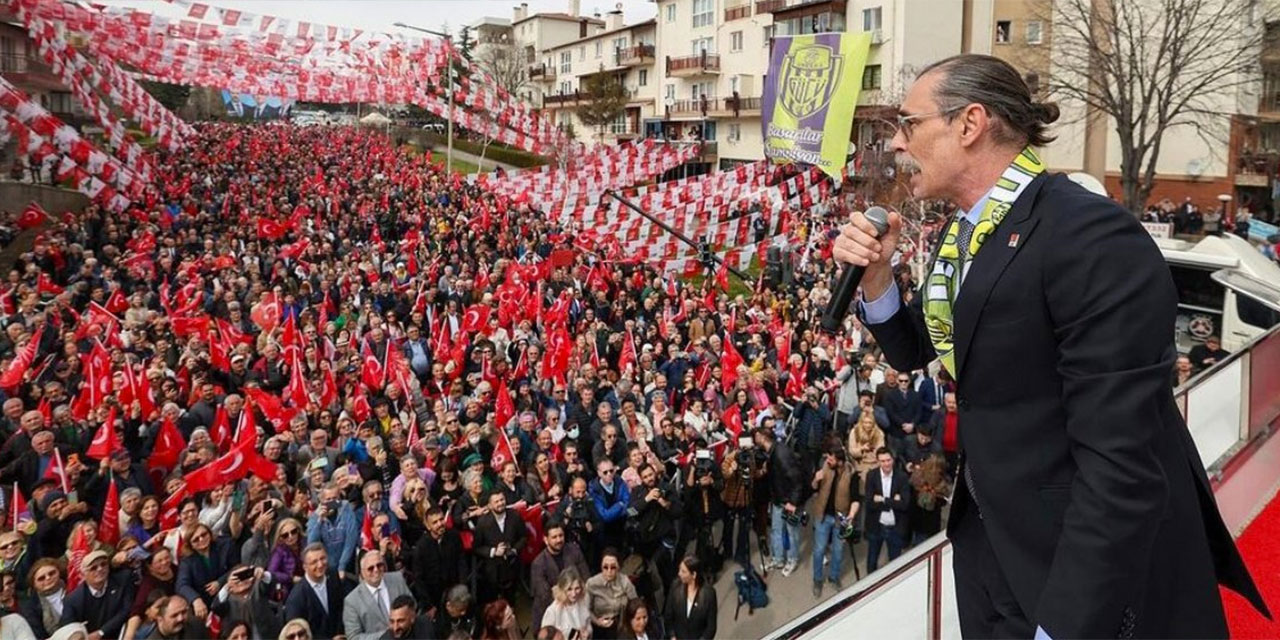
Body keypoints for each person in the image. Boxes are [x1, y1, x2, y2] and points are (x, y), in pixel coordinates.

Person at [834, 53, 1267, 636]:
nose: (898, 145)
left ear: (970, 124)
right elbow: (923, 352)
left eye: (909, 125)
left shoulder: (1088, 235)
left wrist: (1064, 626)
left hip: (1073, 571)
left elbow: (1120, 465)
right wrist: (877, 280)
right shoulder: (965, 234)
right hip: (992, 548)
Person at [809, 446, 860, 596]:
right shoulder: (824, 468)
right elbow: (813, 489)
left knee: (838, 551)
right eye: (827, 458)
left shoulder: (851, 474)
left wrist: (851, 515)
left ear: (840, 462)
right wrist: (815, 480)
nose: (828, 461)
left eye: (831, 459)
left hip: (841, 518)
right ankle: (817, 579)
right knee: (819, 550)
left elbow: (855, 499)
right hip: (823, 516)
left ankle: (834, 577)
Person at [754, 426, 802, 576]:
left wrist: (793, 502)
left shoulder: (781, 454)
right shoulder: (772, 453)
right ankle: (778, 558)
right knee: (776, 530)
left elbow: (796, 479)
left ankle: (792, 560)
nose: (754, 439)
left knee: (791, 532)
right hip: (777, 498)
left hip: (787, 500)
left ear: (763, 437)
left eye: (756, 436)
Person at [58, 550, 133, 639]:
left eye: (103, 564)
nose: (100, 569)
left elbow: (126, 610)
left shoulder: (123, 580)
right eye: (93, 568)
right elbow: (69, 629)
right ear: (83, 575)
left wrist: (102, 632)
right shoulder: (72, 600)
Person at [531, 518, 591, 630]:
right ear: (546, 540)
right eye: (554, 537)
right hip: (551, 614)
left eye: (561, 535)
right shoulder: (538, 563)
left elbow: (586, 578)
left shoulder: (574, 550)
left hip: (576, 605)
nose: (559, 540)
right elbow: (545, 595)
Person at [283, 543, 351, 640]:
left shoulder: (333, 576)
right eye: (314, 562)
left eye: (323, 558)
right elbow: (297, 633)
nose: (320, 565)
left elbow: (340, 607)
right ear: (305, 567)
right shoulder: (296, 598)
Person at [472, 490, 527, 606]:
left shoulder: (515, 516)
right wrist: (493, 552)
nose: (500, 503)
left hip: (512, 566)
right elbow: (476, 547)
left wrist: (514, 549)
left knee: (511, 599)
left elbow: (523, 537)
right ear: (490, 505)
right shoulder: (482, 523)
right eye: (496, 501)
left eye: (502, 500)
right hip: (492, 570)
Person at [341, 550, 412, 640]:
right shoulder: (352, 601)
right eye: (371, 568)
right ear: (362, 573)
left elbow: (412, 607)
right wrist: (386, 636)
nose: (376, 570)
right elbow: (353, 637)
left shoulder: (397, 579)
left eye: (379, 565)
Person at [409, 506, 465, 613]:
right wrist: (429, 606)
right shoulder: (421, 547)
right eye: (435, 522)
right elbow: (419, 579)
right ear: (428, 526)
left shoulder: (454, 536)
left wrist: (461, 588)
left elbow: (461, 563)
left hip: (454, 591)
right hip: (433, 598)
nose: (440, 524)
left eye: (441, 519)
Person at [585, 548, 637, 640]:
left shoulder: (625, 581)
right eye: (605, 567)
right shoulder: (592, 583)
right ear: (601, 567)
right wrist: (597, 622)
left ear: (618, 567)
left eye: (613, 567)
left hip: (620, 625)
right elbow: (586, 609)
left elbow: (635, 604)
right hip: (599, 626)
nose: (609, 571)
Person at [663, 556, 716, 640]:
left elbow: (711, 626)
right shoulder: (675, 586)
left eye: (683, 571)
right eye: (679, 569)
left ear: (694, 574)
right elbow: (668, 615)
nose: (679, 574)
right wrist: (672, 636)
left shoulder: (708, 593)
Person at [540, 568, 590, 640]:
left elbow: (588, 625)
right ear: (562, 589)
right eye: (569, 589)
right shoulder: (553, 611)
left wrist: (587, 634)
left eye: (577, 588)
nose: (574, 594)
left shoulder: (583, 602)